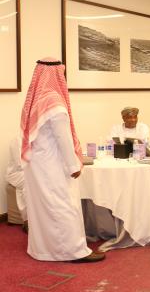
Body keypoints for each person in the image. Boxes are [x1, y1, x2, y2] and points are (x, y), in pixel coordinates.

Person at [20, 58, 104, 262]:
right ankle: (72, 251)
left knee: (44, 208)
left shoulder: (37, 100)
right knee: (64, 206)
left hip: (37, 165)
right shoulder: (54, 102)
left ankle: (43, 250)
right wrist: (73, 165)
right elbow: (63, 139)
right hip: (53, 165)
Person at [6, 133, 27, 232]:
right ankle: (27, 220)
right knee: (28, 183)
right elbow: (20, 164)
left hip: (29, 172)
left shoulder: (36, 140)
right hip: (15, 173)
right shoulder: (17, 141)